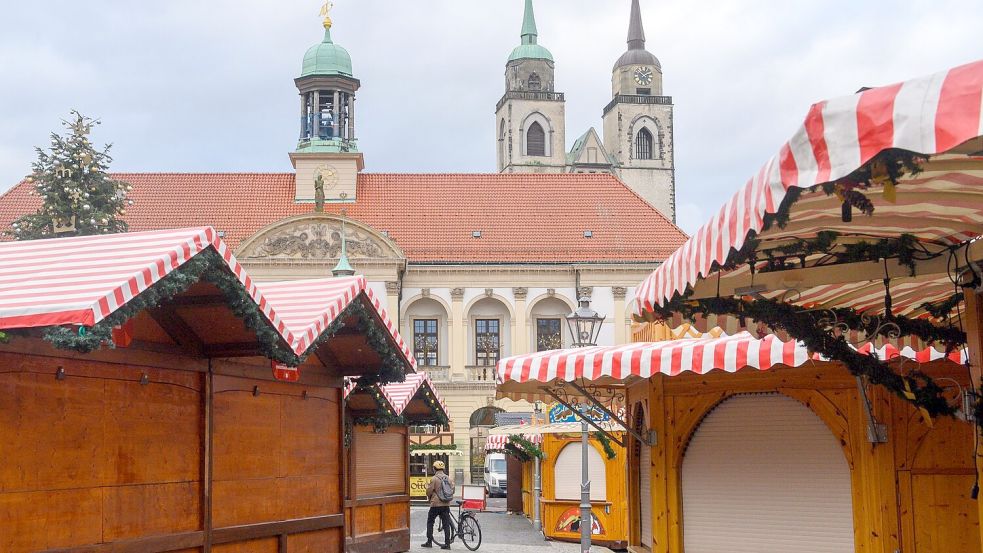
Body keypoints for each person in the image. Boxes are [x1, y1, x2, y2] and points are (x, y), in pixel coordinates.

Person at [422, 460, 454, 549]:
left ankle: (429, 542)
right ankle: (447, 544)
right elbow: (453, 490)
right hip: (446, 504)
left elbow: (429, 491)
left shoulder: (434, 479)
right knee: (446, 524)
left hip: (435, 504)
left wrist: (430, 497)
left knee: (430, 522)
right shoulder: (448, 478)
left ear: (434, 469)